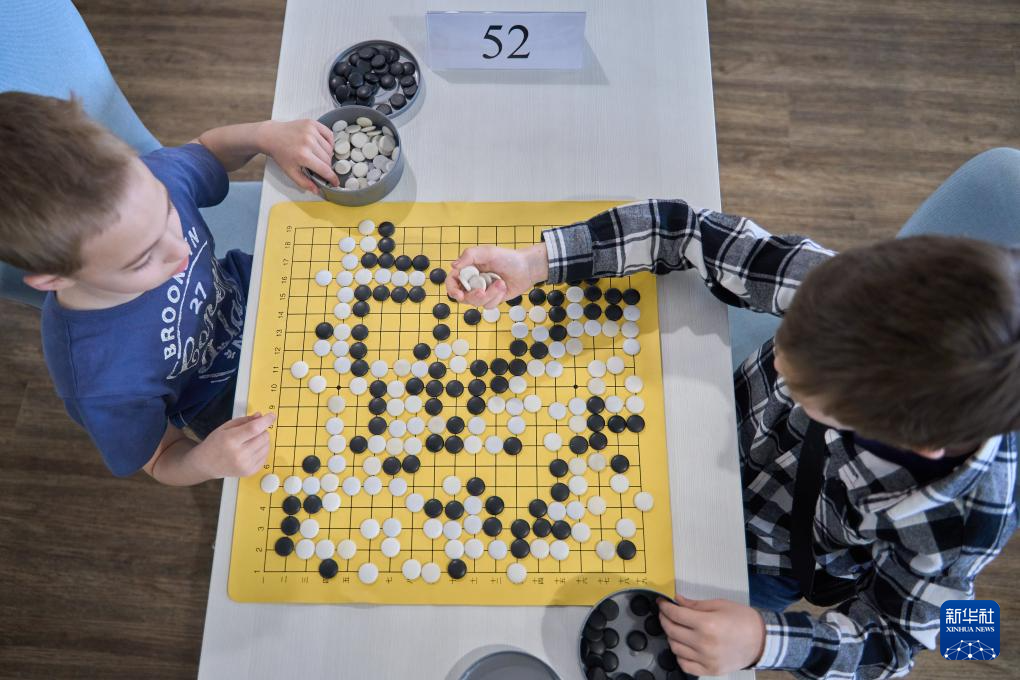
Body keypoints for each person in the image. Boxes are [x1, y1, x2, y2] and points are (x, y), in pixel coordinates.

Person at [446, 149, 1020, 678]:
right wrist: (539, 261)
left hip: (769, 554)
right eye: (789, 336)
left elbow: (893, 644)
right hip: (707, 429)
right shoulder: (841, 293)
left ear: (908, 439)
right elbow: (680, 230)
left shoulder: (964, 522)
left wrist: (765, 641)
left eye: (809, 391)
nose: (783, 360)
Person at [0, 91, 341, 485]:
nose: (180, 250)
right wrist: (206, 462)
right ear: (54, 278)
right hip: (227, 399)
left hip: (265, 291)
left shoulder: (143, 182)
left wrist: (264, 136)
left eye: (167, 211)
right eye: (141, 259)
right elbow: (162, 457)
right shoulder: (98, 381)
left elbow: (207, 150)